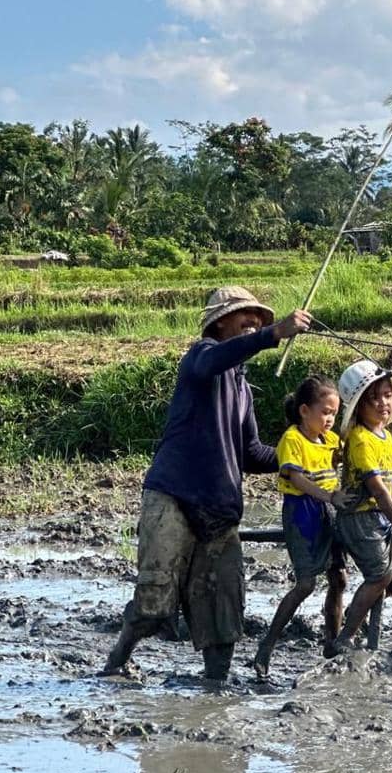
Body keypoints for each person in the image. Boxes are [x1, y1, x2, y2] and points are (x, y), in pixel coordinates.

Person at [102, 285, 311, 681]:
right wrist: (273, 334)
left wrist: (301, 456)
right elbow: (211, 362)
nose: (254, 322)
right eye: (245, 316)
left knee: (223, 610)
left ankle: (215, 685)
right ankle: (117, 660)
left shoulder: (243, 389)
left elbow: (250, 453)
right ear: (219, 323)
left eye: (259, 319)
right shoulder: (200, 358)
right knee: (155, 604)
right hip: (175, 496)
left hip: (219, 506)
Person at [252, 374, 355, 680]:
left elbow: (343, 459)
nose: (330, 419)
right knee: (306, 584)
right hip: (303, 513)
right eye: (325, 412)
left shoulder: (331, 440)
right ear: (304, 411)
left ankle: (331, 643)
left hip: (330, 510)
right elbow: (297, 480)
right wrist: (330, 496)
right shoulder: (292, 440)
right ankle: (266, 646)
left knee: (339, 577)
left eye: (334, 414)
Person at [325, 359, 392, 657]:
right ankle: (346, 637)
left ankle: (367, 621)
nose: (383, 402)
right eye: (374, 398)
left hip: (381, 517)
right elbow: (378, 488)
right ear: (359, 407)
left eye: (387, 395)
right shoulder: (359, 439)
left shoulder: (385, 436)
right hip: (359, 518)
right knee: (379, 576)